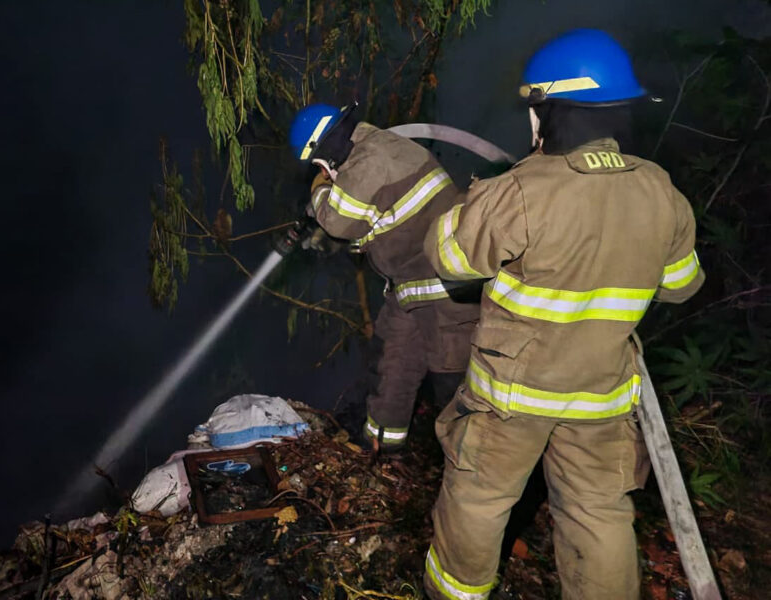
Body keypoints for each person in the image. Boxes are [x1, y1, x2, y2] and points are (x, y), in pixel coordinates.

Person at [421, 29, 705, 599]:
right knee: (598, 512)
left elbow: (447, 258)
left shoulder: (524, 190)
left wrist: (480, 199)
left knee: (479, 496)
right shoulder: (662, 193)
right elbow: (680, 288)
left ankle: (453, 593)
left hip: (510, 396)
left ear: (549, 110)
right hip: (601, 396)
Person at [289, 102, 480, 452]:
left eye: (319, 164)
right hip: (410, 291)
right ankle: (383, 456)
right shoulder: (377, 154)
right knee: (391, 374)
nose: (324, 171)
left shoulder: (372, 155)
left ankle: (473, 473)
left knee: (454, 385)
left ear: (324, 150)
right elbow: (379, 226)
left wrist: (317, 190)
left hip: (445, 292)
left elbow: (338, 220)